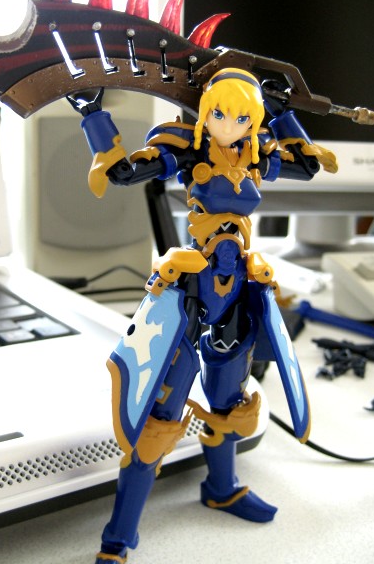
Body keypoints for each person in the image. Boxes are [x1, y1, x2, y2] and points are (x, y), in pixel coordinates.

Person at [73, 67, 337, 564]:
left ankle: (222, 489)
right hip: (190, 293)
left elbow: (306, 166)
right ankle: (118, 538)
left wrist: (283, 115)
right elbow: (124, 172)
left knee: (229, 403)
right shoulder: (189, 148)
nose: (230, 125)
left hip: (236, 292)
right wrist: (93, 115)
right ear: (206, 111)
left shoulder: (254, 153)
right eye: (220, 114)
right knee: (157, 423)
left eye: (243, 118)